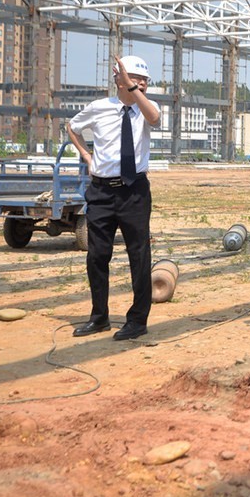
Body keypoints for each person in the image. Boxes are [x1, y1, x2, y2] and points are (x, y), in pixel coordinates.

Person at [67, 55, 161, 341]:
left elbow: (154, 119)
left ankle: (137, 320)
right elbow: (72, 126)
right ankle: (99, 317)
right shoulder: (99, 108)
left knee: (139, 255)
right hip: (102, 192)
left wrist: (135, 91)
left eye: (144, 80)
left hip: (134, 191)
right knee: (97, 255)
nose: (142, 83)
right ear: (118, 78)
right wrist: (86, 154)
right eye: (135, 77)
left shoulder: (147, 108)